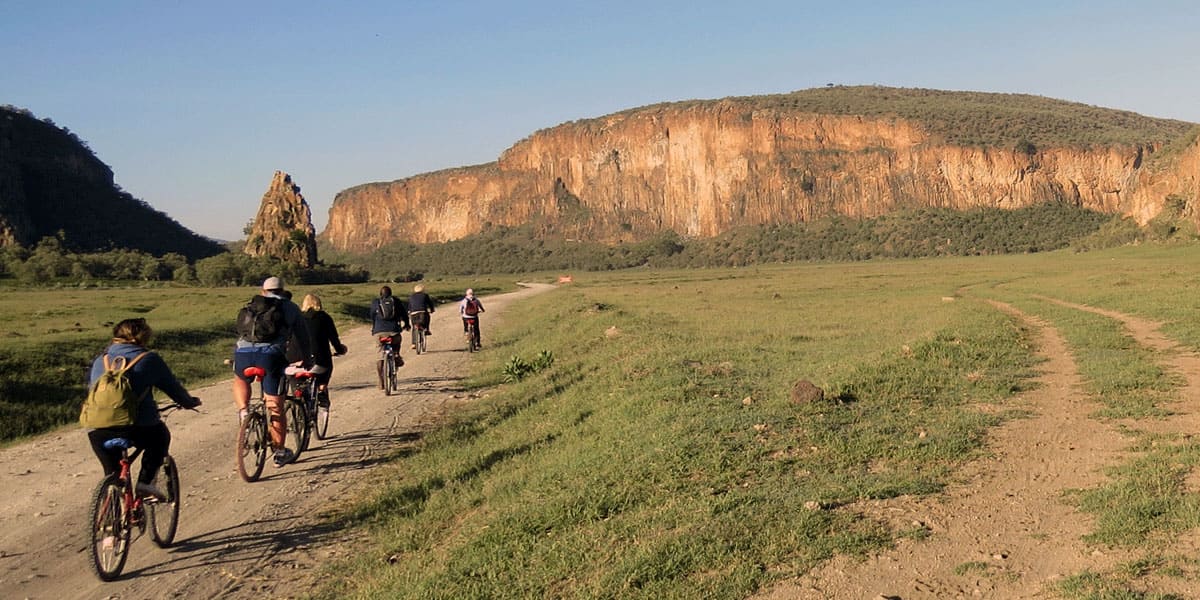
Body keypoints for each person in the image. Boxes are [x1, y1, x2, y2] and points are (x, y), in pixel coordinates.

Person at [86, 318, 201, 500]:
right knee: (161, 437)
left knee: (112, 473)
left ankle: (110, 512)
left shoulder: (101, 359)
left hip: (97, 428)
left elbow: (91, 388)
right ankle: (145, 483)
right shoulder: (149, 359)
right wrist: (189, 402)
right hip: (138, 427)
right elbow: (173, 388)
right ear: (145, 336)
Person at [231, 276, 312, 467]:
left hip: (243, 353)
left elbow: (241, 332)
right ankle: (280, 452)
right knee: (275, 405)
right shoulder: (289, 307)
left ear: (263, 291)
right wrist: (307, 358)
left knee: (240, 378)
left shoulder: (252, 305)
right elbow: (303, 336)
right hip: (270, 356)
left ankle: (244, 411)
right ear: (283, 290)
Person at [299, 293, 347, 407]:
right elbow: (333, 338)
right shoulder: (324, 317)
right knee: (326, 368)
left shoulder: (298, 318)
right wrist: (340, 350)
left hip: (298, 359)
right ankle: (321, 389)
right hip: (319, 358)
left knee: (300, 381)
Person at [370, 285, 410, 372]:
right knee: (397, 342)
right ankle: (396, 354)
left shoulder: (375, 302)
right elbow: (404, 314)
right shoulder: (396, 301)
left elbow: (372, 316)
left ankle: (381, 383)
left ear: (380, 294)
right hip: (394, 332)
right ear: (391, 293)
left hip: (379, 333)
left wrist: (374, 328)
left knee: (380, 356)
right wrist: (407, 324)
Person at [407, 283, 436, 349]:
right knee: (427, 318)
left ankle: (414, 343)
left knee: (414, 327)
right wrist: (432, 310)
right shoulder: (425, 295)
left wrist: (409, 311)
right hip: (422, 313)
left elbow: (409, 305)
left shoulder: (411, 296)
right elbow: (430, 304)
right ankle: (426, 329)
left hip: (413, 314)